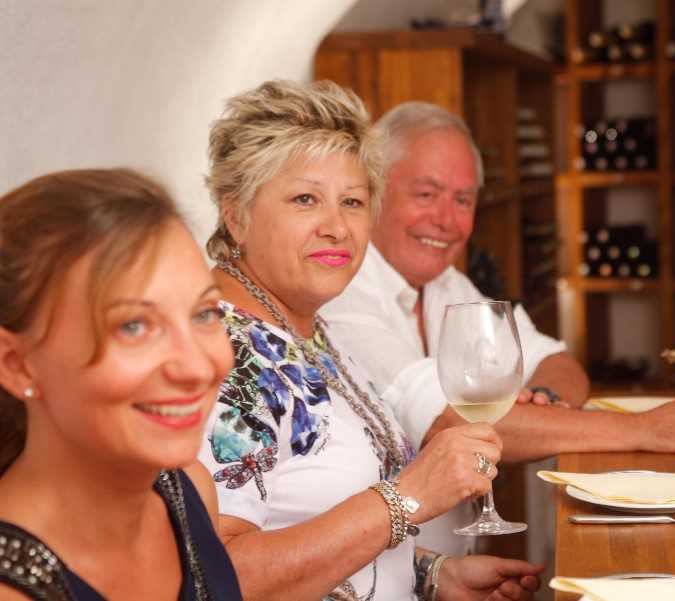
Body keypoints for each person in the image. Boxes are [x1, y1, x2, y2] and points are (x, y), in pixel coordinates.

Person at [320, 101, 675, 554]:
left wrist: (545, 403)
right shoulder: (343, 291)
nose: (446, 219)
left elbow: (554, 360)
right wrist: (643, 431)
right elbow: (448, 422)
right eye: (425, 194)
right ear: (377, 192)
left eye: (463, 199)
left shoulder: (449, 284)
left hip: (446, 572)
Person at [198, 79, 542, 601]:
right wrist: (406, 499)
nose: (337, 226)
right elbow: (221, 577)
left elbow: (310, 523)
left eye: (353, 202)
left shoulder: (313, 332)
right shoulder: (222, 357)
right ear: (235, 213)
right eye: (305, 199)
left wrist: (432, 575)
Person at [0, 168, 242, 600]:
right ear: (16, 364)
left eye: (205, 314)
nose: (196, 368)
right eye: (133, 326)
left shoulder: (189, 491)